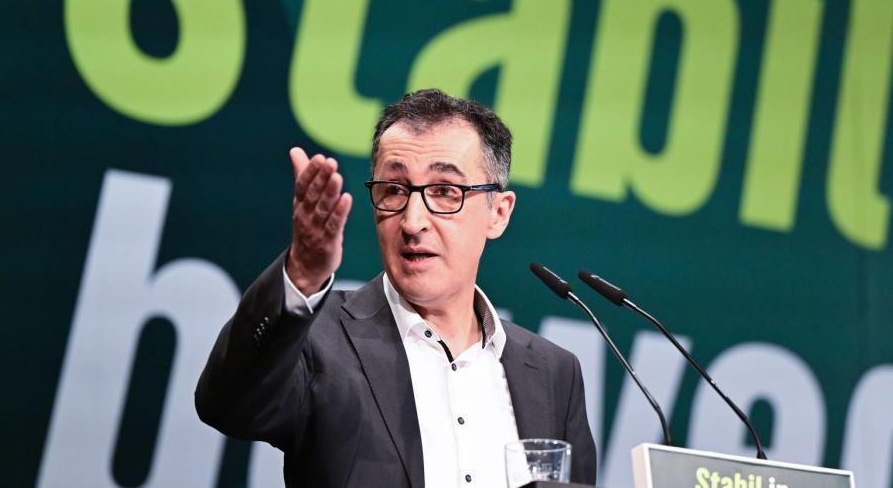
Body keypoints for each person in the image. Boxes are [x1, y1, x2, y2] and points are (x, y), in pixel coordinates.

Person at [195, 89, 597, 488]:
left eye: (445, 191)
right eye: (394, 190)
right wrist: (300, 273)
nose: (412, 222)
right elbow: (228, 406)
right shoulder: (318, 336)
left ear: (499, 213)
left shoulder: (554, 374)